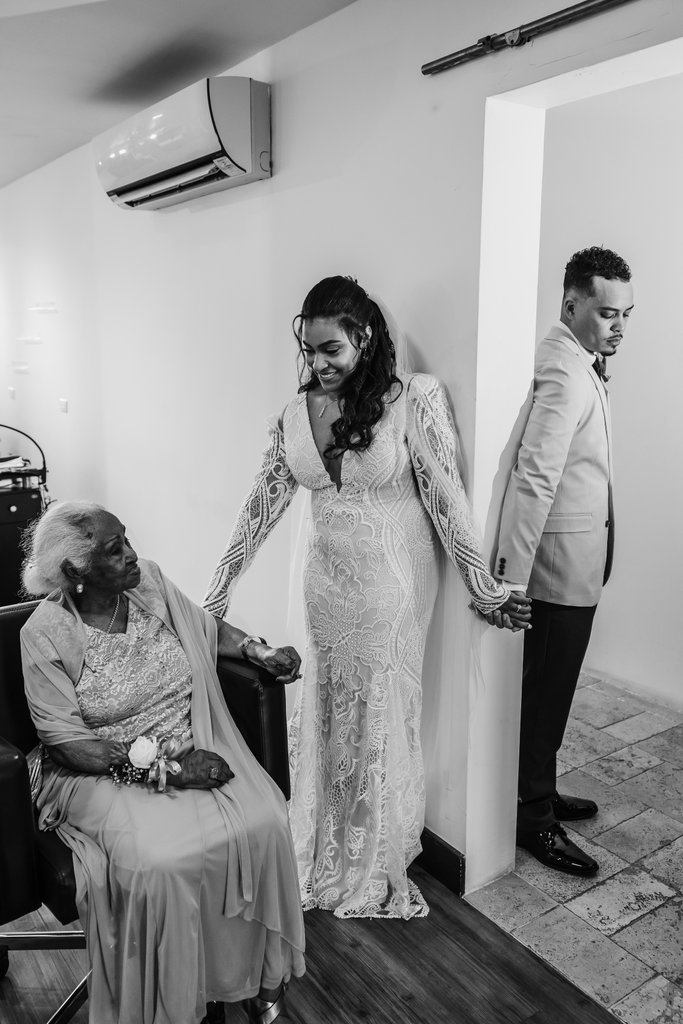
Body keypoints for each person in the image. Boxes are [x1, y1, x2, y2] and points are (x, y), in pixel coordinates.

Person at [203, 276, 531, 920]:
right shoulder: (295, 415)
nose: (318, 365)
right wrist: (215, 596)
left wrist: (484, 587)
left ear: (366, 337)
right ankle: (327, 839)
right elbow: (261, 506)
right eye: (309, 351)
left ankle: (372, 855)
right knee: (327, 704)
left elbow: (446, 501)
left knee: (377, 711)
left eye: (332, 350)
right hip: (326, 583)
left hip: (390, 587)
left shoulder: (414, 400)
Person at [20, 501, 306, 1024]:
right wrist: (168, 771)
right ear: (74, 571)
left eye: (127, 539)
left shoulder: (148, 582)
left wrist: (260, 652)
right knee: (160, 860)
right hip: (101, 770)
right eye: (115, 549)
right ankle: (172, 998)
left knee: (265, 820)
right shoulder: (43, 633)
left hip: (191, 733)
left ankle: (247, 974)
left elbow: (207, 629)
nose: (133, 554)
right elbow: (65, 743)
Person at [493, 246, 634, 876]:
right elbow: (534, 478)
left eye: (626, 315)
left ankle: (540, 793)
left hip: (579, 564)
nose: (619, 327)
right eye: (607, 313)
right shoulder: (565, 370)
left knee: (555, 696)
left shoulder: (586, 361)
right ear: (571, 303)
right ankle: (533, 821)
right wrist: (510, 580)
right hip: (550, 576)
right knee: (544, 700)